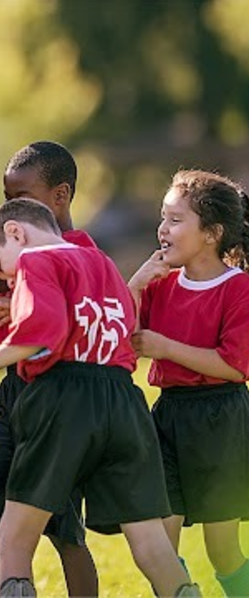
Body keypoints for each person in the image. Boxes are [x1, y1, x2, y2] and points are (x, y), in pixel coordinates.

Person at [0, 198, 199, 597]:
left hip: (63, 395)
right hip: (124, 399)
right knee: (151, 545)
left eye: (0, 268)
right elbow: (122, 326)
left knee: (13, 538)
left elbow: (44, 329)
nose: (9, 282)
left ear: (15, 233)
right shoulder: (102, 263)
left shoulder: (34, 261)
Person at [0, 141, 98, 596]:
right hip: (14, 399)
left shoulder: (81, 252)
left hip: (60, 401)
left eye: (22, 199)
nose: (14, 210)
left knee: (66, 532)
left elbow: (83, 314)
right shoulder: (18, 247)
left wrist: (20, 308)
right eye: (10, 199)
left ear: (61, 196)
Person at [128, 170, 249, 597]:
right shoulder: (158, 283)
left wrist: (164, 346)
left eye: (176, 219)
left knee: (222, 549)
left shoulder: (238, 288)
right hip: (168, 418)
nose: (163, 229)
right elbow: (122, 338)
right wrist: (137, 284)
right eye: (163, 218)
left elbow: (234, 367)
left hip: (221, 418)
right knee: (161, 537)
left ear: (212, 233)